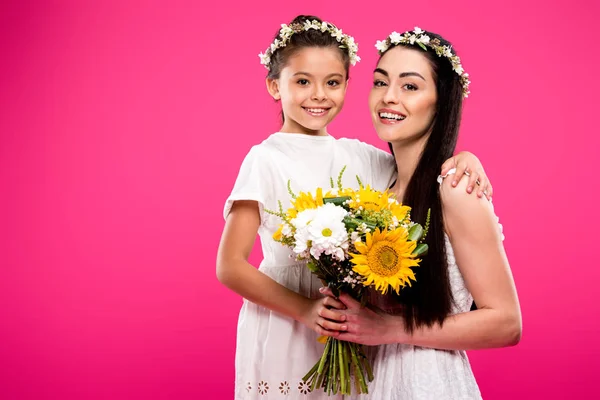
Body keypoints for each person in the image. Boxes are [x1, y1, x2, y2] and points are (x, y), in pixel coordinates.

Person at [216, 17, 492, 399]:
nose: (318, 95)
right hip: (289, 320)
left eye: (332, 82)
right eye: (302, 81)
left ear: (347, 84)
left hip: (354, 326)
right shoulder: (265, 159)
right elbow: (229, 264)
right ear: (273, 86)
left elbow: (420, 170)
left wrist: (466, 156)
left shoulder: (364, 158)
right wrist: (305, 310)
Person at [319, 28, 522, 399]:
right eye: (380, 82)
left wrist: (391, 329)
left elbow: (507, 323)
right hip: (368, 379)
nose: (389, 97)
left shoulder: (457, 191)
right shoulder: (377, 191)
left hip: (427, 381)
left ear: (441, 102)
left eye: (410, 86)